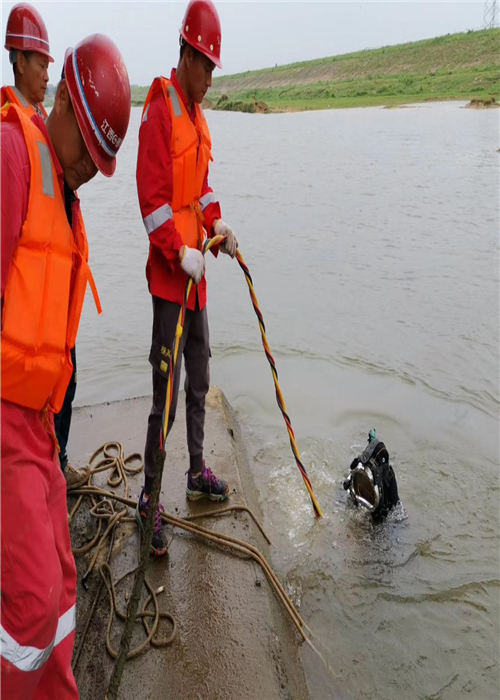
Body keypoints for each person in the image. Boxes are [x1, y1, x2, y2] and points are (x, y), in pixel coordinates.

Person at [1, 34, 131, 698]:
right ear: (60, 105)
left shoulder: (63, 190)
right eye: (88, 150)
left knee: (59, 577)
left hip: (37, 428)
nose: (88, 168)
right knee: (26, 604)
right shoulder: (14, 158)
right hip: (4, 424)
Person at [136, 0, 238, 557]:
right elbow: (151, 202)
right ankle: (149, 499)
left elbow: (198, 188)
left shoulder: (197, 117)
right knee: (166, 394)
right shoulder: (161, 109)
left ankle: (196, 472)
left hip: (197, 276)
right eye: (208, 69)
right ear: (188, 56)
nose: (210, 81)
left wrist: (216, 220)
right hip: (170, 281)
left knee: (199, 376)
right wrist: (179, 254)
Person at [1, 2, 52, 118]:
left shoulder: (37, 112)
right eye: (42, 66)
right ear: (21, 63)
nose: (47, 77)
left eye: (47, 68)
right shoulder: (9, 123)